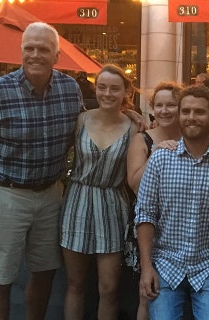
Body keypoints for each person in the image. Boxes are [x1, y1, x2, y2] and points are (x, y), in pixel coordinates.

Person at [0, 22, 84, 320]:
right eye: (29, 48)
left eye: (43, 49)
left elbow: (87, 127)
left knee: (44, 274)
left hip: (51, 196)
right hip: (7, 195)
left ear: (56, 55)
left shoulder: (70, 89)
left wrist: (127, 114)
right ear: (21, 52)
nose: (35, 54)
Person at [134, 85, 209, 319]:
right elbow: (145, 214)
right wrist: (146, 269)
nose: (191, 117)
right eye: (186, 111)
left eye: (199, 112)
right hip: (166, 264)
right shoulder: (160, 159)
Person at [59, 64, 139, 320]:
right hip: (77, 202)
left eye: (114, 88)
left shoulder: (135, 127)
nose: (107, 93)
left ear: (125, 91)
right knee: (75, 283)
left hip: (112, 204)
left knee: (109, 288)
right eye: (102, 87)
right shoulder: (80, 119)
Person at [126, 81, 184, 320]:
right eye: (159, 105)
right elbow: (136, 184)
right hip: (149, 225)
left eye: (171, 105)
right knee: (147, 294)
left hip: (181, 223)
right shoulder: (143, 140)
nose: (165, 110)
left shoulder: (191, 136)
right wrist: (157, 154)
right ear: (152, 109)